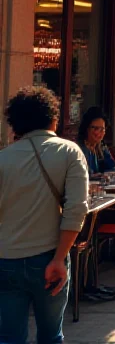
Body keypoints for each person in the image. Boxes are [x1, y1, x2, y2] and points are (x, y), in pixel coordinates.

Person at [0, 86, 90, 344]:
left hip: (6, 258)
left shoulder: (3, 158)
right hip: (49, 255)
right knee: (51, 336)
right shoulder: (69, 152)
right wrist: (60, 258)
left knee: (8, 337)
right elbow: (76, 209)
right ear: (53, 117)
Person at [77, 106, 115, 176]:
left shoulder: (101, 146)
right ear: (86, 128)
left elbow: (111, 166)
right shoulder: (79, 148)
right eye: (95, 128)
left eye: (102, 129)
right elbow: (83, 173)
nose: (99, 133)